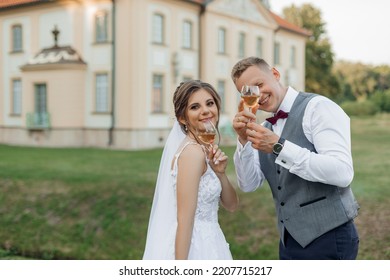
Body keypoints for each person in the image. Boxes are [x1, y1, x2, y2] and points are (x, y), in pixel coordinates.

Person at [230, 56, 360, 260]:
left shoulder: (318, 107)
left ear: (275, 74)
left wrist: (279, 147)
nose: (257, 95)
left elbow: (342, 172)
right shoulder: (265, 129)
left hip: (329, 238)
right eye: (248, 92)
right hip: (289, 242)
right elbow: (248, 184)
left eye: (259, 84)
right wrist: (243, 140)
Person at [143, 80, 239, 260]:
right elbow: (185, 222)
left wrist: (220, 173)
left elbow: (232, 205)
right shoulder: (192, 153)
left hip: (212, 241)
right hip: (196, 248)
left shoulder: (204, 150)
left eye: (210, 103)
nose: (205, 110)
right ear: (182, 118)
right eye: (195, 107)